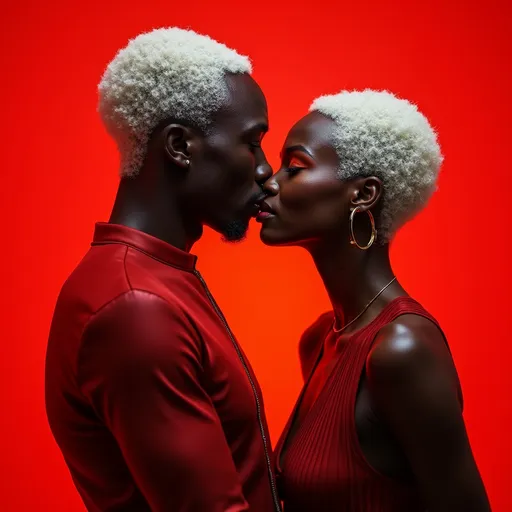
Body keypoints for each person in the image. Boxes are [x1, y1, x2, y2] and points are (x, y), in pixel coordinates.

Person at [45, 27, 281, 512]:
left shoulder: (152, 280)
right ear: (179, 146)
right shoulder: (136, 306)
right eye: (252, 142)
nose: (265, 170)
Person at [257, 90, 490, 512]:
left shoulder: (402, 349)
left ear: (363, 194)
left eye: (295, 166)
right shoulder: (318, 341)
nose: (270, 181)